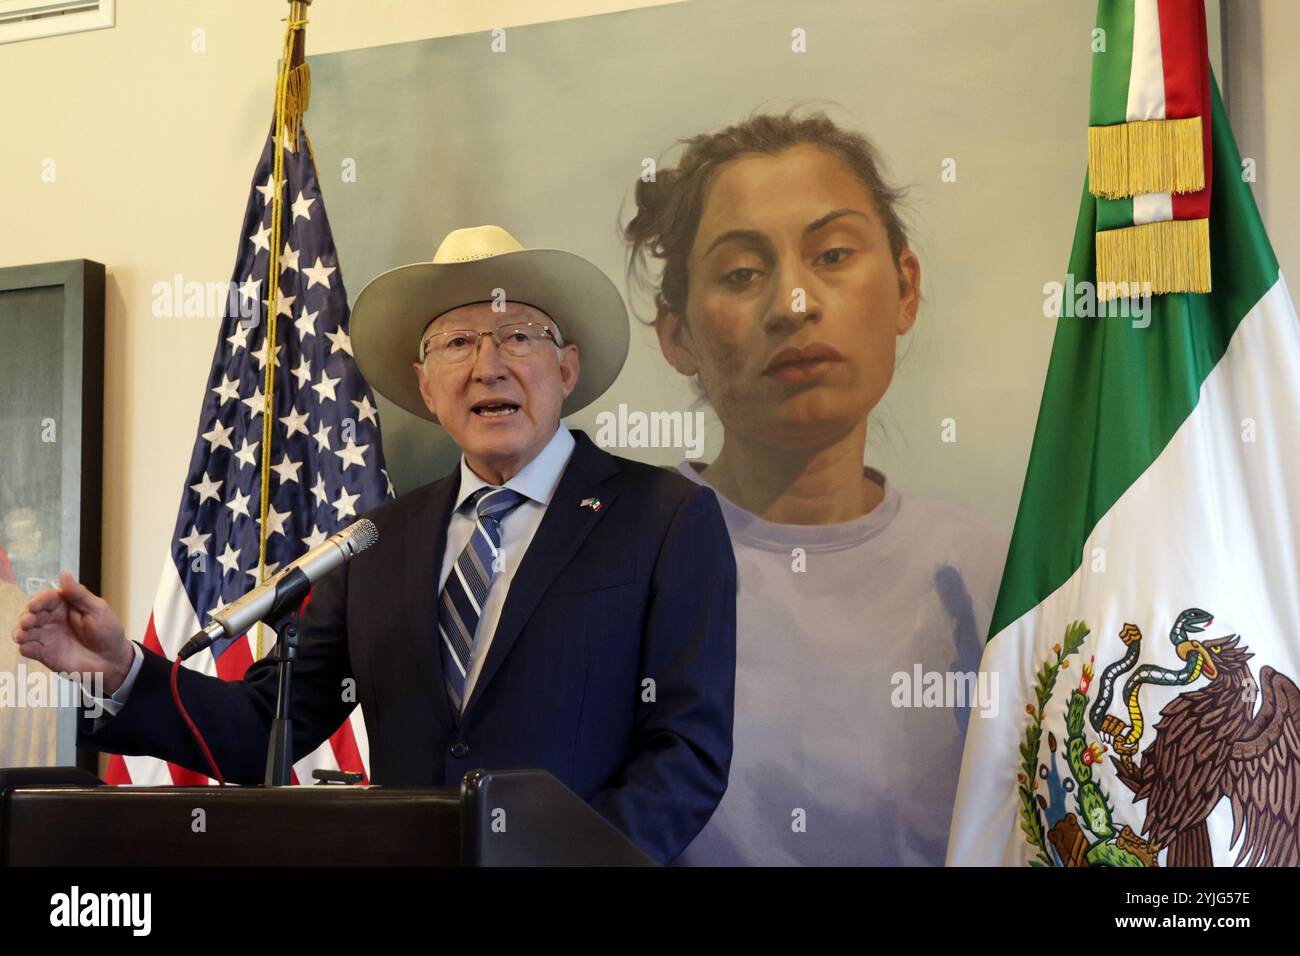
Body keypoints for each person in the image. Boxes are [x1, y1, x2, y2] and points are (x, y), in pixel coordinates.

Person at [11, 225, 738, 865]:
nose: (489, 364)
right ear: (427, 386)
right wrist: (120, 671)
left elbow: (687, 758)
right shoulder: (375, 543)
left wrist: (558, 864)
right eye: (458, 342)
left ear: (566, 369)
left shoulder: (665, 516)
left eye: (518, 335)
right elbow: (267, 723)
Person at [623, 111, 1008, 865]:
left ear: (904, 288)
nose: (793, 304)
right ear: (677, 335)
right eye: (741, 273)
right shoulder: (609, 565)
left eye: (832, 253)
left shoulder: (996, 577)